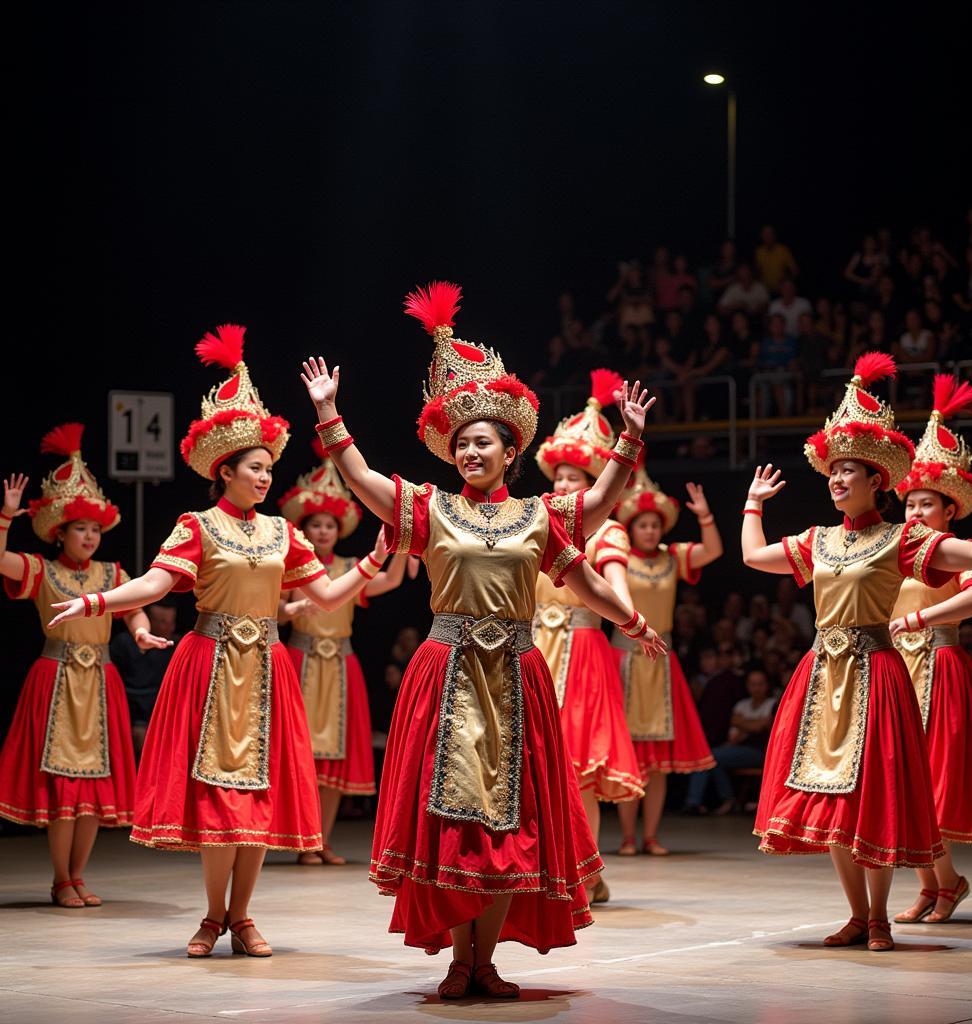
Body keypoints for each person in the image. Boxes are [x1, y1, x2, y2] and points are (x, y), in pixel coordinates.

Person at [300, 281, 665, 1000]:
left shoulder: (539, 515)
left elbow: (592, 533)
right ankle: (456, 960)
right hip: (447, 670)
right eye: (462, 443)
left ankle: (485, 960)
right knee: (451, 822)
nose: (471, 451)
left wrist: (631, 615)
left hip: (517, 674)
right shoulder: (427, 508)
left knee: (512, 826)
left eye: (483, 442)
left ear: (509, 450)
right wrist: (328, 415)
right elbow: (364, 479)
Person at [47, 325, 387, 959]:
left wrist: (370, 563)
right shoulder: (196, 526)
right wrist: (95, 600)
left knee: (257, 798)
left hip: (265, 666)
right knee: (218, 800)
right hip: (208, 664)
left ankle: (245, 918)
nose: (264, 478)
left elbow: (328, 598)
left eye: (268, 469)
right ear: (225, 470)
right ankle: (212, 918)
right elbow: (152, 584)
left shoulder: (286, 533)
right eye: (255, 469)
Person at [742, 352, 972, 953]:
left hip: (878, 668)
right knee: (833, 797)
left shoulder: (901, 538)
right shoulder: (818, 539)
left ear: (877, 481)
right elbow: (752, 558)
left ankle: (883, 917)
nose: (837, 480)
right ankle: (857, 915)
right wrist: (752, 503)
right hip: (822, 672)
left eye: (849, 472)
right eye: (832, 471)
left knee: (874, 796)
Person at [0, 427, 166, 908]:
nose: (90, 537)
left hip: (100, 682)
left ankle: (78, 875)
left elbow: (132, 605)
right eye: (80, 529)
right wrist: (7, 515)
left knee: (94, 786)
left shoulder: (112, 574)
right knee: (64, 786)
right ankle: (59, 879)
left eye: (94, 529)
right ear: (61, 531)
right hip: (56, 682)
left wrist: (138, 630)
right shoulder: (41, 570)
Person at [889, 377, 972, 925]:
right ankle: (935, 883)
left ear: (948, 513)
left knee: (932, 782)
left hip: (939, 668)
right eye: (911, 503)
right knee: (903, 782)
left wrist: (921, 616)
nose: (915, 512)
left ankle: (948, 884)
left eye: (926, 505)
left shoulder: (955, 552)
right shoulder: (894, 551)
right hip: (897, 668)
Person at [532, 369, 646, 905]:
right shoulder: (538, 524)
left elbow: (613, 589)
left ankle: (587, 869)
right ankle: (553, 866)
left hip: (580, 655)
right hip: (534, 652)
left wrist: (628, 618)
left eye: (575, 479)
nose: (562, 486)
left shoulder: (609, 530)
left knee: (579, 771)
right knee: (536, 769)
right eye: (558, 478)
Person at [278, 440, 410, 865]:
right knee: (300, 759)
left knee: (332, 761)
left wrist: (402, 551)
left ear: (339, 530)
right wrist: (292, 608)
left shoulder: (352, 566)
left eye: (329, 526)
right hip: (300, 661)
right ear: (305, 528)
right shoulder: (292, 565)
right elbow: (273, 613)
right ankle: (300, 840)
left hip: (340, 665)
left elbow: (386, 585)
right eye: (315, 525)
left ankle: (322, 840)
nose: (322, 532)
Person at [612, 467, 722, 855]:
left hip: (659, 662)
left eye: (654, 525)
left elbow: (712, 552)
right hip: (622, 660)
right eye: (642, 525)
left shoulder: (672, 557)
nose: (649, 531)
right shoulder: (616, 556)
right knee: (628, 752)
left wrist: (705, 515)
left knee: (656, 760)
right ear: (631, 527)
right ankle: (627, 837)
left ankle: (652, 835)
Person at [685, 669, 776, 814]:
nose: (757, 688)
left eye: (760, 684)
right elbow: (735, 736)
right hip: (740, 749)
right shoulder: (742, 704)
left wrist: (744, 724)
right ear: (747, 685)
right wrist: (754, 725)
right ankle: (725, 800)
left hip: (762, 752)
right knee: (711, 760)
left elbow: (762, 727)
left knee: (710, 756)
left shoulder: (772, 705)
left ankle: (696, 801)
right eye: (753, 684)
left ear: (766, 685)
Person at [110, 601, 180, 760]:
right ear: (149, 620)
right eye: (162, 622)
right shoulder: (123, 643)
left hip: (158, 710)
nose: (168, 628)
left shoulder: (175, 646)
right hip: (127, 708)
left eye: (171, 622)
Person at [754, 224, 799, 293]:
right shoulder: (759, 252)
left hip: (781, 292)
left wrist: (786, 283)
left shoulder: (783, 250)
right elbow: (757, 272)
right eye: (765, 233)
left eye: (770, 233)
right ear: (761, 236)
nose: (767, 236)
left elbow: (795, 270)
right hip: (764, 291)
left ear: (774, 235)